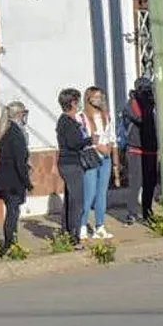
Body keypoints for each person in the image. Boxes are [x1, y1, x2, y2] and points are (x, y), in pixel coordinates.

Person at [0, 101, 32, 258]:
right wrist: (27, 182)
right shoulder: (15, 134)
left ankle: (11, 242)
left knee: (12, 211)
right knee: (13, 213)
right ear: (18, 114)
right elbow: (20, 162)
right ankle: (9, 244)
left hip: (6, 179)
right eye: (23, 113)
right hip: (13, 181)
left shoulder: (6, 131)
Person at [56, 87, 94, 248]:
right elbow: (74, 143)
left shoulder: (68, 121)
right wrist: (90, 140)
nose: (79, 105)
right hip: (71, 164)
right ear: (72, 103)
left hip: (69, 163)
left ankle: (66, 232)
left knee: (71, 200)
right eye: (77, 101)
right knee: (77, 201)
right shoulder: (67, 122)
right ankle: (74, 237)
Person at [78, 86, 118, 240]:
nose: (99, 99)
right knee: (89, 193)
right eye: (96, 96)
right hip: (92, 156)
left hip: (106, 157)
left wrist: (112, 153)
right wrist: (98, 147)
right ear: (88, 98)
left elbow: (112, 137)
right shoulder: (81, 117)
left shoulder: (106, 116)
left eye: (101, 96)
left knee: (102, 193)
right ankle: (82, 225)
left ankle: (99, 226)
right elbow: (83, 138)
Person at [122, 77, 158, 224]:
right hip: (135, 149)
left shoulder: (154, 103)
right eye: (144, 89)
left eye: (148, 88)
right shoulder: (132, 103)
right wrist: (143, 102)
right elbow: (139, 117)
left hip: (151, 149)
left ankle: (147, 212)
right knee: (135, 183)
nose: (147, 92)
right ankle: (131, 213)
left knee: (150, 183)